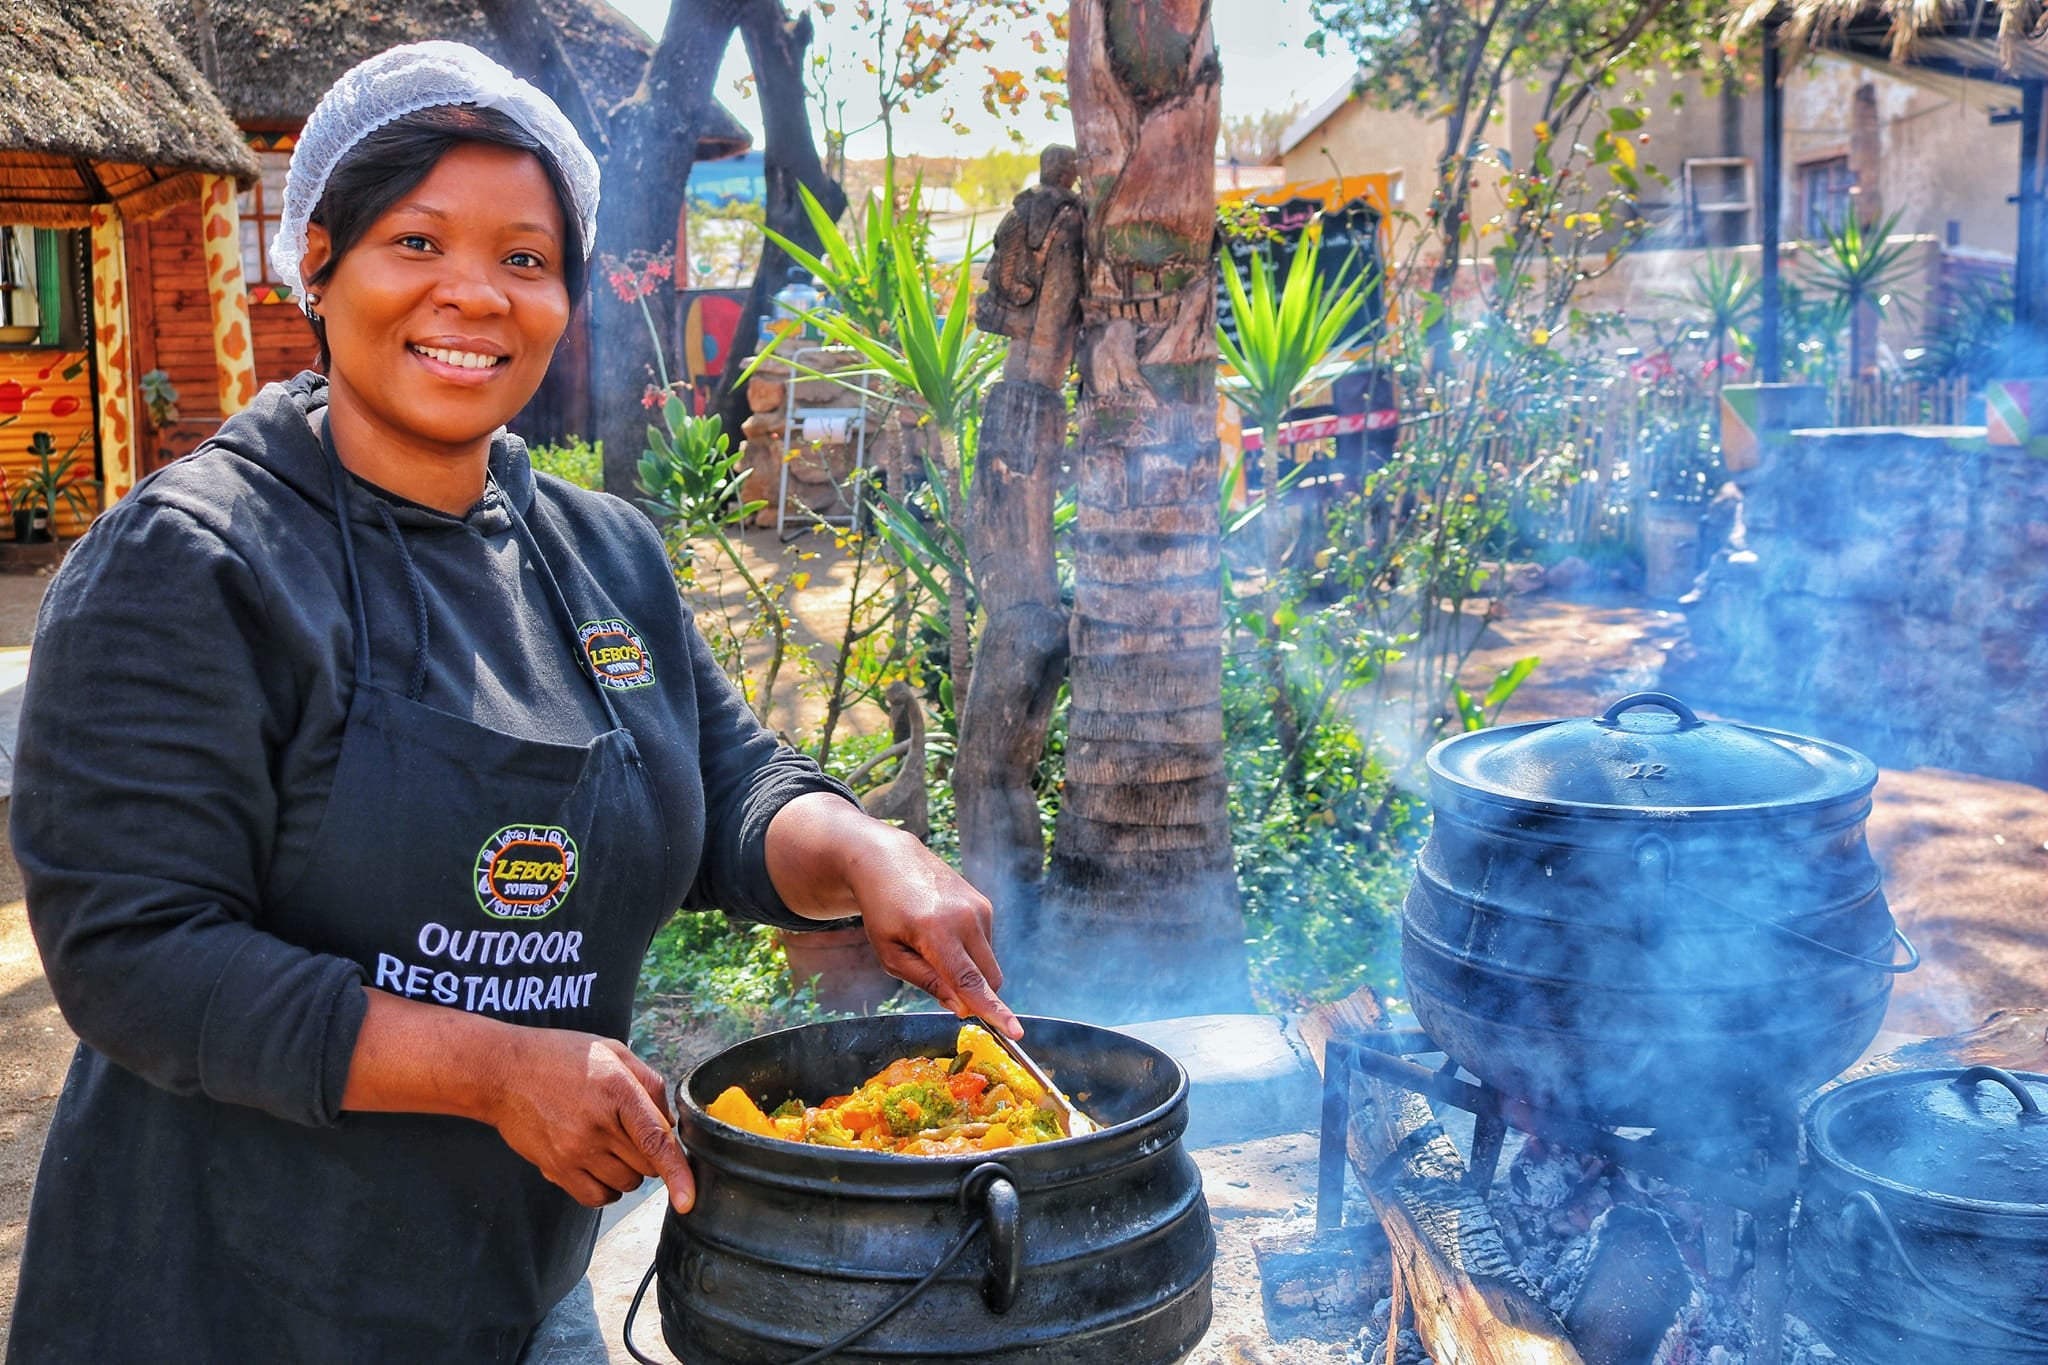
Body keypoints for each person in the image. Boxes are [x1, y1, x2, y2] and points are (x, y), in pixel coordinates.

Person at [3, 42, 1015, 1364]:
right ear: (319, 261)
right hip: (232, 1295)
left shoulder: (599, 551)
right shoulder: (196, 560)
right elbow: (134, 952)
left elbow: (724, 786)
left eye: (525, 259)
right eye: (415, 240)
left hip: (521, 1290)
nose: (473, 294)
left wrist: (869, 855)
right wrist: (496, 1071)